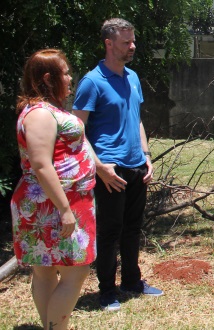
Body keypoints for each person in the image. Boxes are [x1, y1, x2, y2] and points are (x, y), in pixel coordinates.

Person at [72, 18, 162, 312]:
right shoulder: (92, 82)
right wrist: (99, 167)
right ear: (109, 44)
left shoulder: (132, 78)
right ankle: (107, 291)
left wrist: (147, 155)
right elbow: (76, 131)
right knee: (110, 231)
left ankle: (132, 282)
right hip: (109, 169)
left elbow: (136, 118)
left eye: (133, 41)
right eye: (126, 42)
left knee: (132, 228)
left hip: (136, 165)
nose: (133, 46)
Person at [11, 49, 96, 330]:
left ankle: (51, 327)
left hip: (61, 201)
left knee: (45, 270)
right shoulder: (40, 114)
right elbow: (41, 164)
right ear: (49, 78)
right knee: (76, 271)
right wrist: (65, 210)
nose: (70, 78)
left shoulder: (47, 110)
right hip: (54, 204)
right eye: (66, 73)